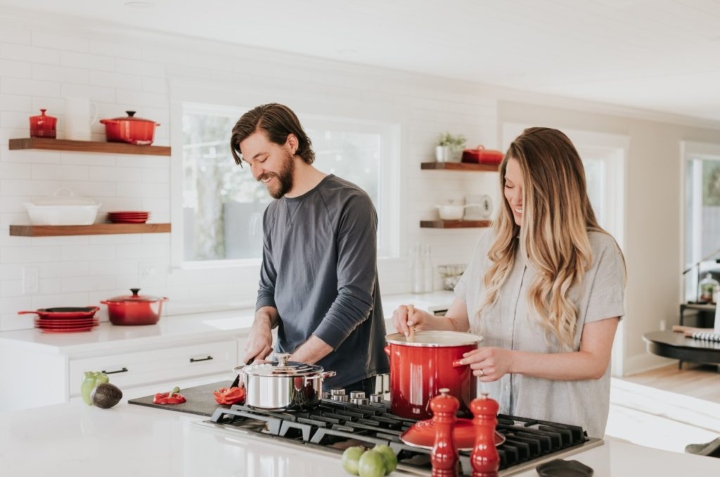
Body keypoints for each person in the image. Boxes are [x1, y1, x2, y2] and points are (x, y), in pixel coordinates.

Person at [393, 127, 626, 438]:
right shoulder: (492, 244)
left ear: (557, 189)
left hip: (561, 432)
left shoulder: (599, 253)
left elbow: (593, 362)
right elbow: (458, 323)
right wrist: (427, 323)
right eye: (509, 185)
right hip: (489, 425)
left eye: (527, 188)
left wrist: (513, 361)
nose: (515, 199)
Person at [230, 103, 389, 395]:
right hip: (287, 374)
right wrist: (261, 324)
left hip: (345, 382)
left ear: (292, 143)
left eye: (261, 158)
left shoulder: (351, 203)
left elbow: (355, 301)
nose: (256, 173)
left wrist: (288, 369)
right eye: (249, 163)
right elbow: (269, 288)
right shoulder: (272, 213)